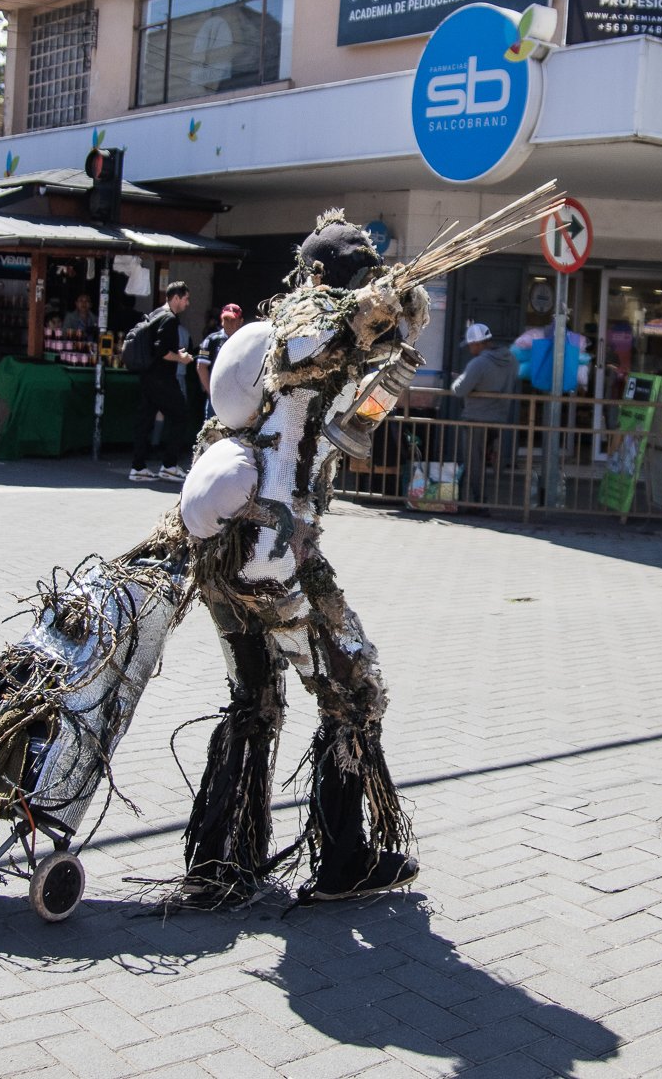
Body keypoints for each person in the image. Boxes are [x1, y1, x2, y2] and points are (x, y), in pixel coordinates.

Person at [174, 211, 427, 906]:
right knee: (355, 691)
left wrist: (395, 332)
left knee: (254, 700)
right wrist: (376, 309)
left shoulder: (268, 339)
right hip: (278, 555)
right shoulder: (308, 322)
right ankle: (344, 862)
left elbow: (344, 409)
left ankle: (219, 865)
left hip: (224, 553)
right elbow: (320, 337)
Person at [129, 282, 194, 482]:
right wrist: (181, 358)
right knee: (181, 415)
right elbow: (162, 351)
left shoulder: (156, 313)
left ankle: (138, 467)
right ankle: (169, 465)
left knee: (145, 421)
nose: (187, 303)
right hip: (162, 379)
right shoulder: (170, 319)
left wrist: (175, 353)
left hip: (148, 376)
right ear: (176, 298)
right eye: (185, 299)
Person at [451, 322, 518, 509]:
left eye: (471, 345)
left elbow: (459, 390)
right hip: (499, 418)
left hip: (476, 419)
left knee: (475, 463)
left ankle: (479, 502)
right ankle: (480, 499)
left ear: (478, 343)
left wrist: (459, 378)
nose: (470, 349)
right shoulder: (511, 360)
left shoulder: (478, 363)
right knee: (489, 462)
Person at [194, 303, 244, 420]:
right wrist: (211, 392)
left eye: (233, 320)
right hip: (217, 397)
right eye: (226, 319)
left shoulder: (247, 339)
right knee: (212, 429)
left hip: (240, 398)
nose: (229, 323)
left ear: (241, 321)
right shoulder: (211, 340)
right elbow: (201, 366)